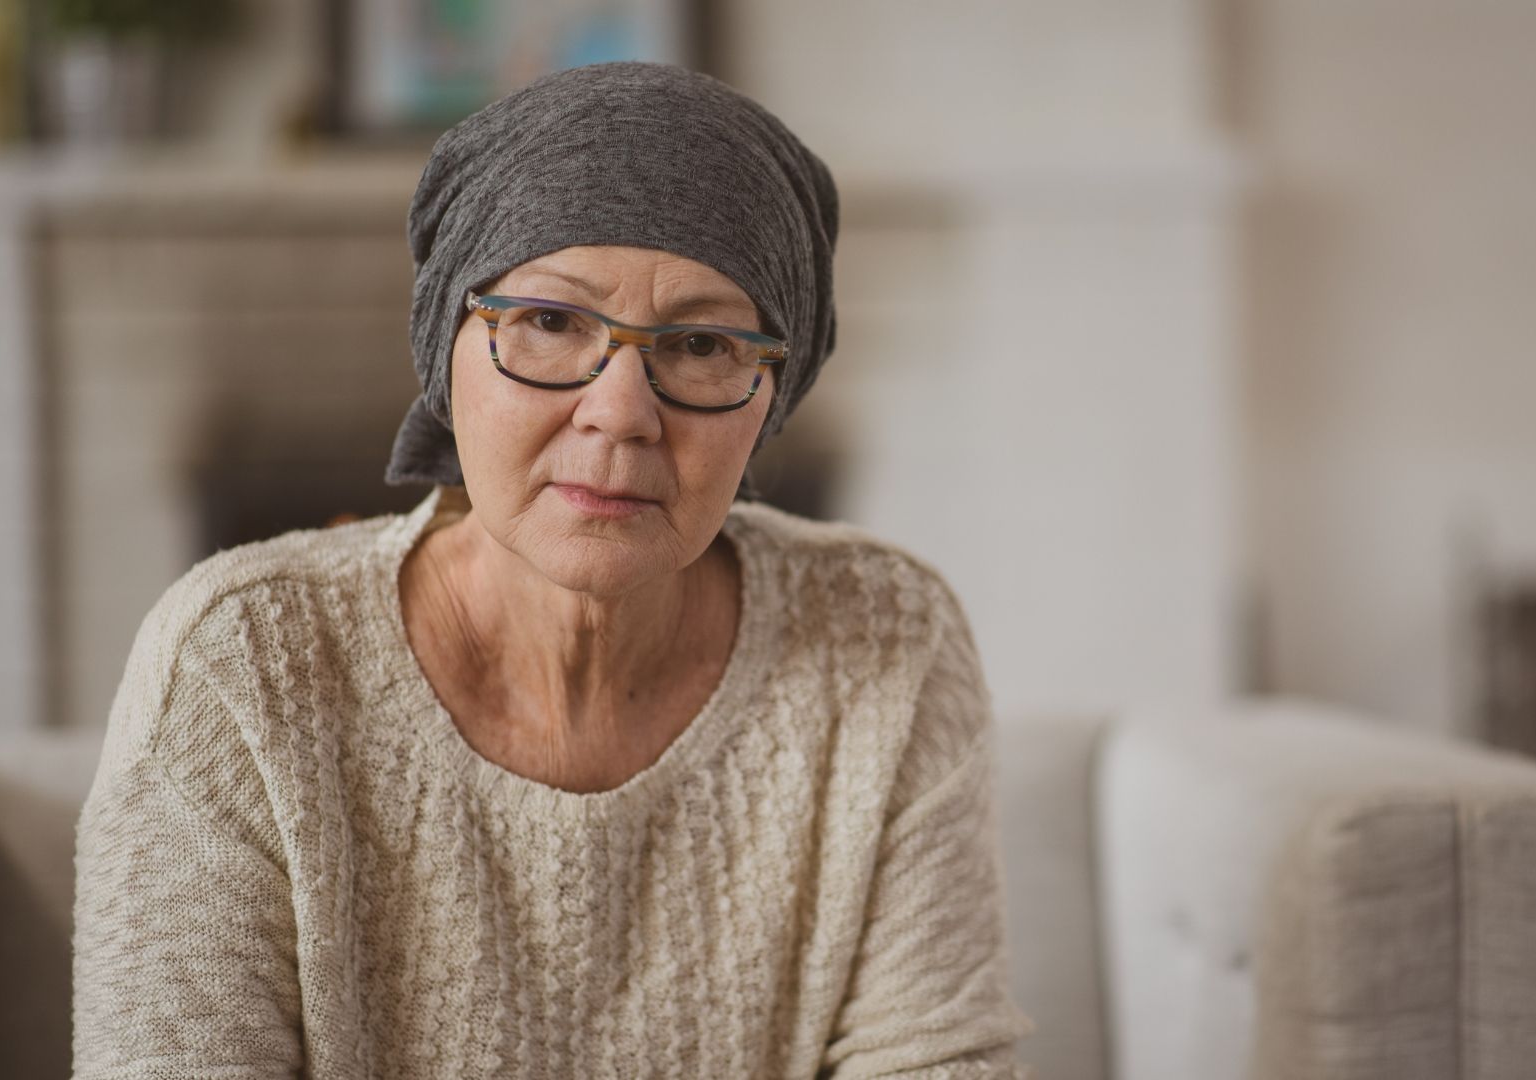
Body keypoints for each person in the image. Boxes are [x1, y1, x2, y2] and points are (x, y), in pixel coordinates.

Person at [71, 61, 1035, 1077]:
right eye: (548, 322)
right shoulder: (240, 670)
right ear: (445, 350)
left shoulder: (887, 640)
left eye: (701, 342)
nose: (620, 410)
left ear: (769, 399)